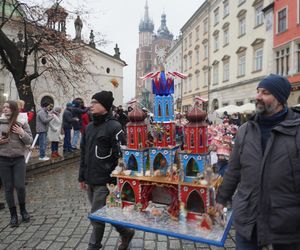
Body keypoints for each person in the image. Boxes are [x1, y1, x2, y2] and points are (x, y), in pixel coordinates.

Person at [215, 74, 300, 250]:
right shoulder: (246, 130)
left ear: (280, 99)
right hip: (248, 215)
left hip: (286, 220)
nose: (258, 97)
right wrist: (221, 198)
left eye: (265, 93)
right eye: (258, 91)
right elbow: (234, 170)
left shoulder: (296, 129)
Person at [79, 91, 135, 250]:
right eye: (91, 102)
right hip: (91, 179)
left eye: (95, 102)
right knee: (107, 213)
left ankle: (93, 246)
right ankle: (126, 232)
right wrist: (81, 177)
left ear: (105, 106)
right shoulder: (89, 127)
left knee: (96, 216)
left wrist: (114, 179)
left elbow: (122, 155)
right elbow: (83, 153)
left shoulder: (114, 126)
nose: (91, 105)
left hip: (106, 181)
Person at [0, 100, 33, 227]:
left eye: (8, 107)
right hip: (3, 160)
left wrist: (21, 133)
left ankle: (23, 211)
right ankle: (13, 215)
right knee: (8, 188)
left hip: (19, 158)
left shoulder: (22, 122)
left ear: (14, 109)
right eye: (4, 107)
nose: (5, 109)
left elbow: (29, 139)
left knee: (20, 186)